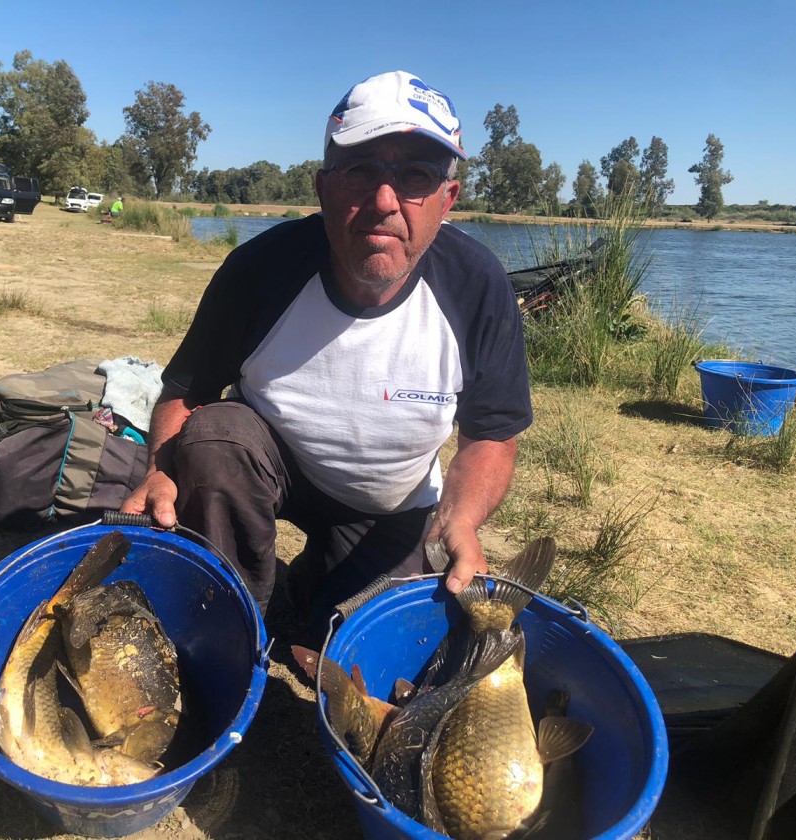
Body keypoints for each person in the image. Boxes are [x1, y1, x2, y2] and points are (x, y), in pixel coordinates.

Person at [121, 70, 532, 631]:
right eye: (360, 170)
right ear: (322, 188)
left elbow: (492, 434)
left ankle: (309, 590)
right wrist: (160, 467)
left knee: (371, 651)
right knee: (214, 441)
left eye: (415, 176)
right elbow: (186, 392)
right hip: (271, 467)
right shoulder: (261, 270)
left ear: (447, 198)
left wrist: (462, 519)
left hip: (391, 504)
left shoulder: (477, 285)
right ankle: (226, 628)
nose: (385, 200)